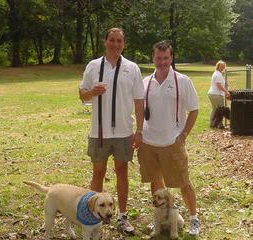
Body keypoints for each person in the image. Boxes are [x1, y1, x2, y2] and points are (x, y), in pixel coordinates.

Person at [79, 27, 144, 235]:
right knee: (98, 173)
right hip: (99, 132)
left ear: (123, 44)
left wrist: (140, 130)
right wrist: (92, 92)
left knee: (122, 172)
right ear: (105, 42)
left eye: (120, 41)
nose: (116, 44)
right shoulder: (93, 66)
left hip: (124, 131)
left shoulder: (132, 68)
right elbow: (82, 95)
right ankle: (93, 216)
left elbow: (139, 100)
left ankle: (122, 217)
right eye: (112, 40)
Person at [137, 40, 201, 236]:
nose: (162, 62)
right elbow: (139, 108)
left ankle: (193, 219)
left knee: (183, 182)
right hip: (148, 142)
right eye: (158, 58)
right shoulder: (146, 82)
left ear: (171, 58)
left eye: (166, 58)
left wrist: (183, 135)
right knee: (156, 183)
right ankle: (160, 218)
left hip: (172, 142)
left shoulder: (182, 81)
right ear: (153, 58)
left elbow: (194, 110)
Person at [207, 60, 230, 128]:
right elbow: (219, 85)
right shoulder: (217, 74)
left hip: (213, 93)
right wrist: (226, 92)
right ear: (218, 66)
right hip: (216, 94)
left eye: (223, 66)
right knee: (221, 110)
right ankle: (220, 125)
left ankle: (212, 123)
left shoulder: (218, 73)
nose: (222, 67)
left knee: (215, 109)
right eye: (221, 66)